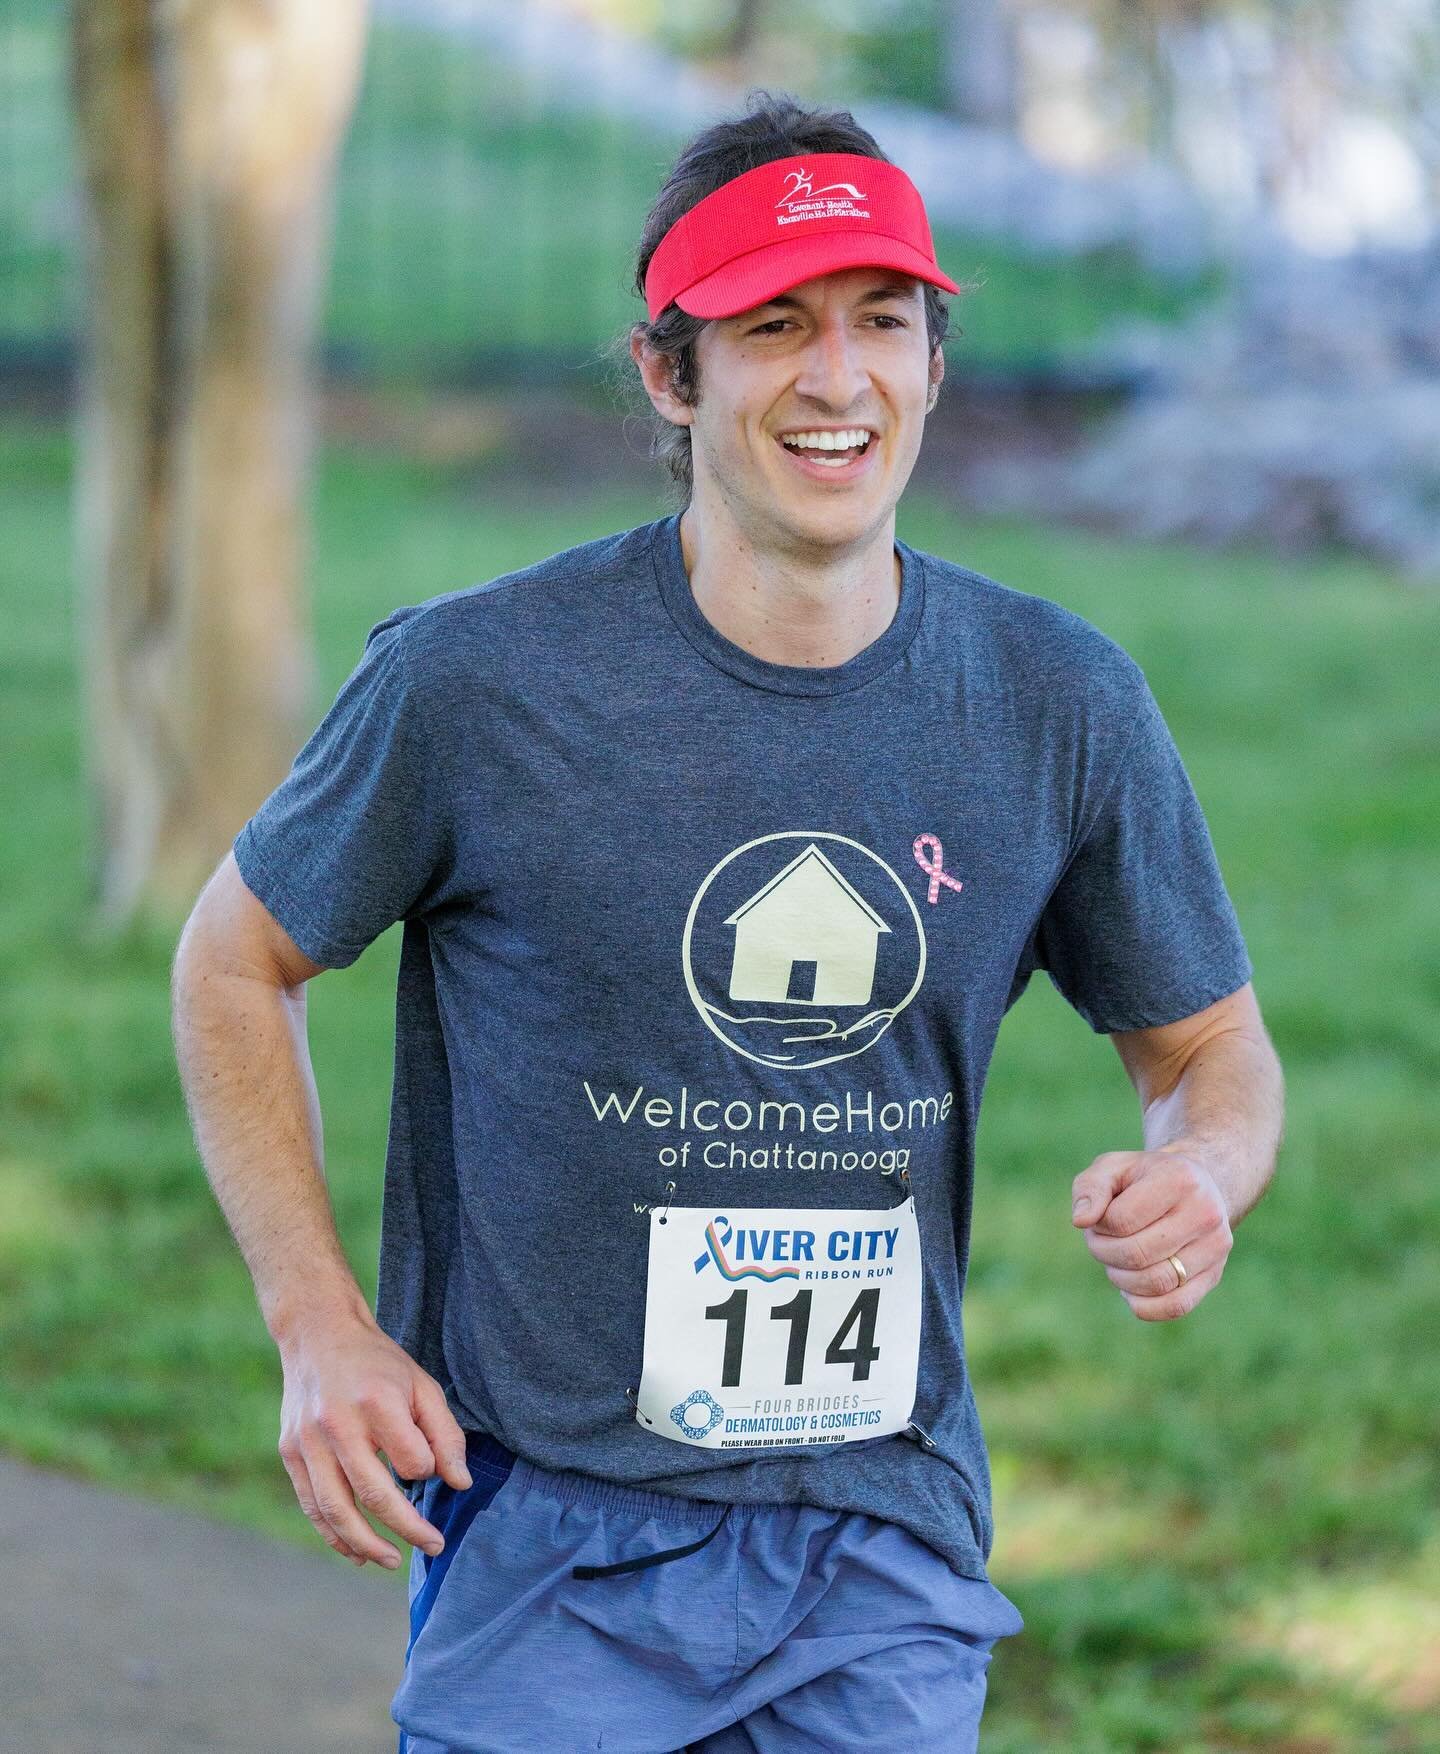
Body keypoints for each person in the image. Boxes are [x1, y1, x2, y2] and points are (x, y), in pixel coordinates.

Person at [172, 89, 1285, 1754]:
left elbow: (1213, 1050)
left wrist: (1202, 1166)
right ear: (668, 373)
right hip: (543, 1529)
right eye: (775, 327)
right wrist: (318, 1325)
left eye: (881, 323)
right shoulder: (477, 684)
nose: (838, 380)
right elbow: (234, 961)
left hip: (880, 1538)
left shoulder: (1058, 703)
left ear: (929, 362)